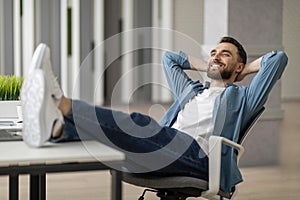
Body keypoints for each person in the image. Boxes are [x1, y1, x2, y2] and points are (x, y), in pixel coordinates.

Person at [20, 37, 288, 193]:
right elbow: (169, 59)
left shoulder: (242, 98)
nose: (216, 57)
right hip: (167, 145)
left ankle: (60, 104)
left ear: (239, 65)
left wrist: (242, 70)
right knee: (129, 132)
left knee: (140, 124)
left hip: (200, 159)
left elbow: (278, 59)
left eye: (225, 55)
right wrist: (210, 64)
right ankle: (56, 128)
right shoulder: (192, 92)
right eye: (214, 53)